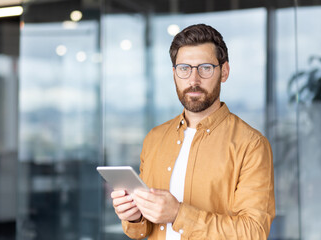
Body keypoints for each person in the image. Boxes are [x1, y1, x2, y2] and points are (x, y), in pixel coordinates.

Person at [111, 23, 275, 239]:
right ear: (174, 73)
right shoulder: (154, 138)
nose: (193, 80)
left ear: (224, 71)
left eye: (205, 68)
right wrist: (134, 217)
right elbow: (141, 230)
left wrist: (179, 214)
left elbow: (254, 232)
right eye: (184, 68)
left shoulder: (251, 145)